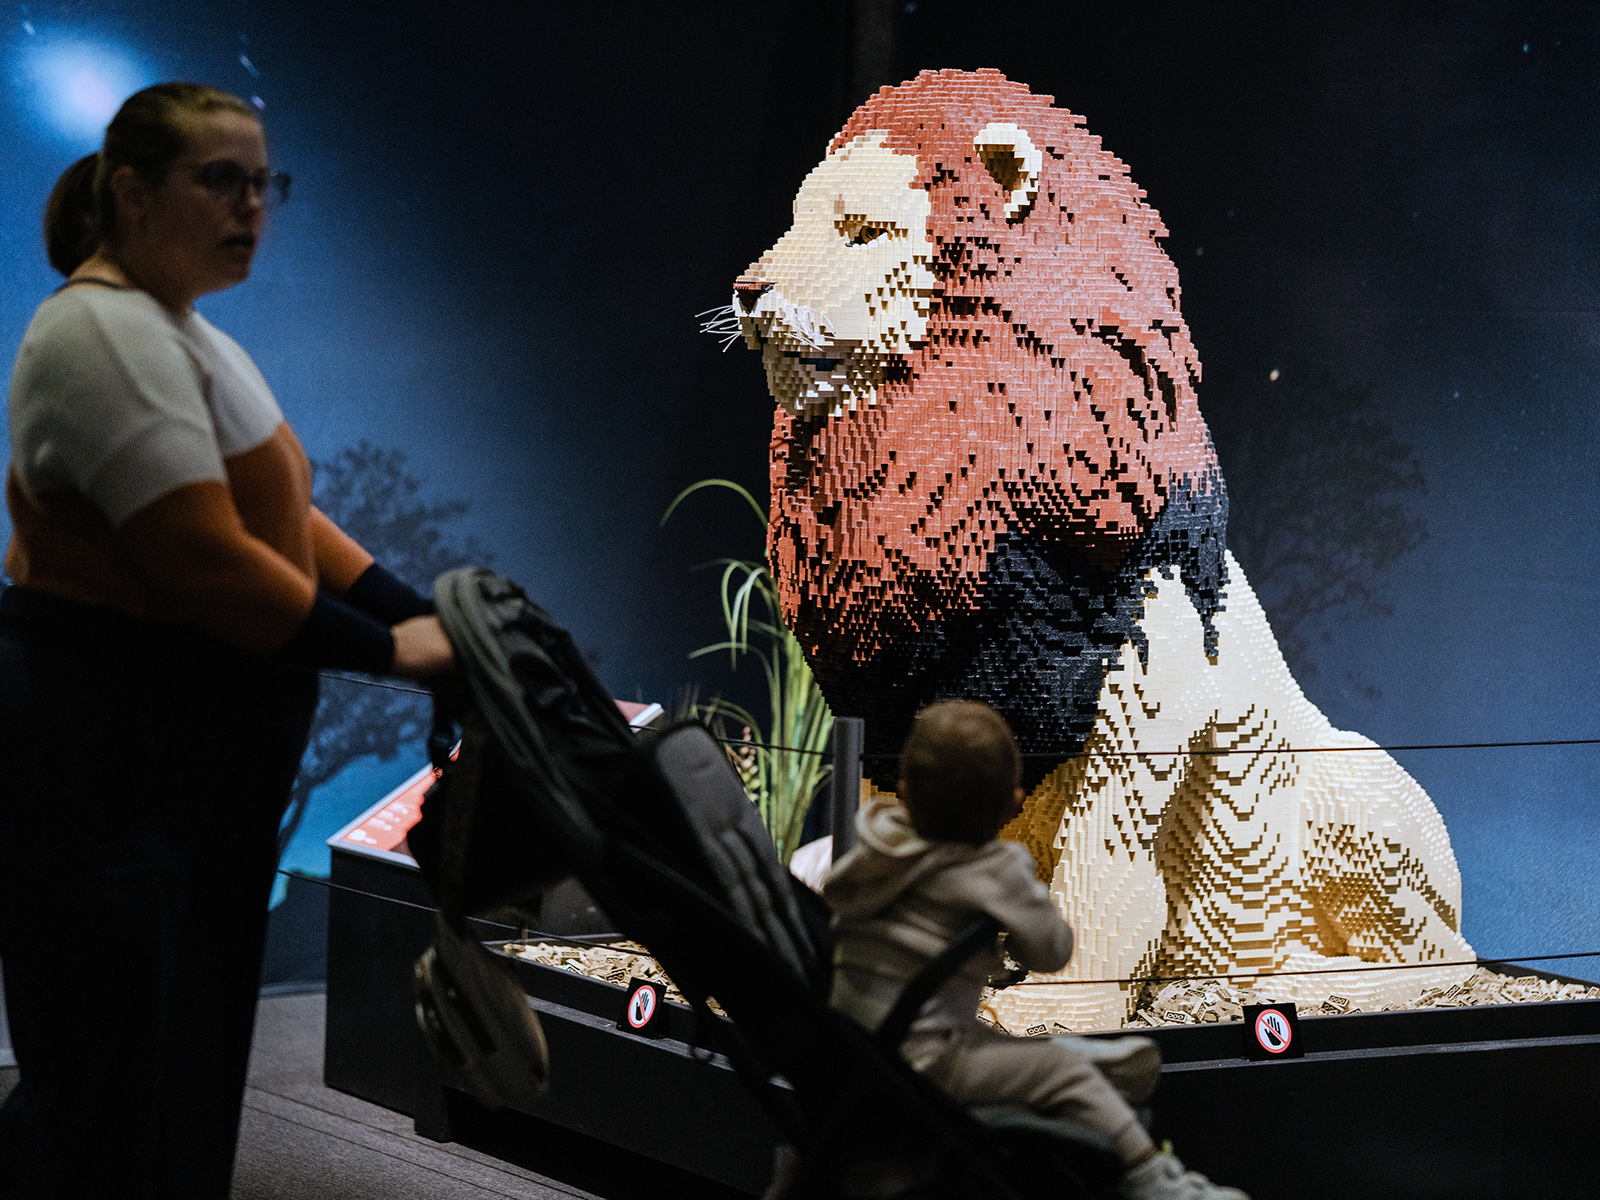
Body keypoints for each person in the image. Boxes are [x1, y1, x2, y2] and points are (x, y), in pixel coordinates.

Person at [0, 83, 455, 1197]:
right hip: (110, 762)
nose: (251, 205)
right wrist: (397, 655)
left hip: (178, 776)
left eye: (264, 184)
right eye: (220, 180)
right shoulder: (98, 332)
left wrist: (412, 607)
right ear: (128, 191)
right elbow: (202, 558)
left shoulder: (178, 332)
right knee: (112, 1073)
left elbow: (287, 519)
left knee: (172, 1062)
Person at [823, 700, 1249, 1200]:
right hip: (923, 1065)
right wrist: (1025, 897)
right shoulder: (994, 871)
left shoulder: (873, 843)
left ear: (903, 791)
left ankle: (1083, 1062)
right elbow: (1050, 952)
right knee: (1060, 1073)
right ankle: (1152, 1179)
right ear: (1014, 804)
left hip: (849, 1047)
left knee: (1013, 1050)